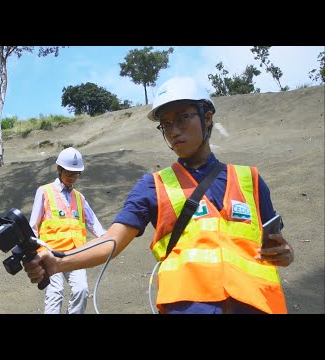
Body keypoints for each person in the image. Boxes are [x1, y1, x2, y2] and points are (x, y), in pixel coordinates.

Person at [24, 81, 295, 314]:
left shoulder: (250, 179)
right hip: (189, 306)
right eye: (166, 124)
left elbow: (275, 247)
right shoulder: (153, 185)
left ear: (207, 117)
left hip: (255, 304)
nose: (173, 130)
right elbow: (112, 240)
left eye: (182, 118)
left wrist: (286, 253)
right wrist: (59, 263)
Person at [29, 147, 107, 314]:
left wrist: (109, 240)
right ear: (59, 169)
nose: (72, 177)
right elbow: (33, 226)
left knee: (82, 290)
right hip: (50, 253)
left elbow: (94, 223)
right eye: (69, 173)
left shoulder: (79, 197)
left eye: (76, 173)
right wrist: (32, 253)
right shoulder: (44, 191)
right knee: (55, 293)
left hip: (75, 254)